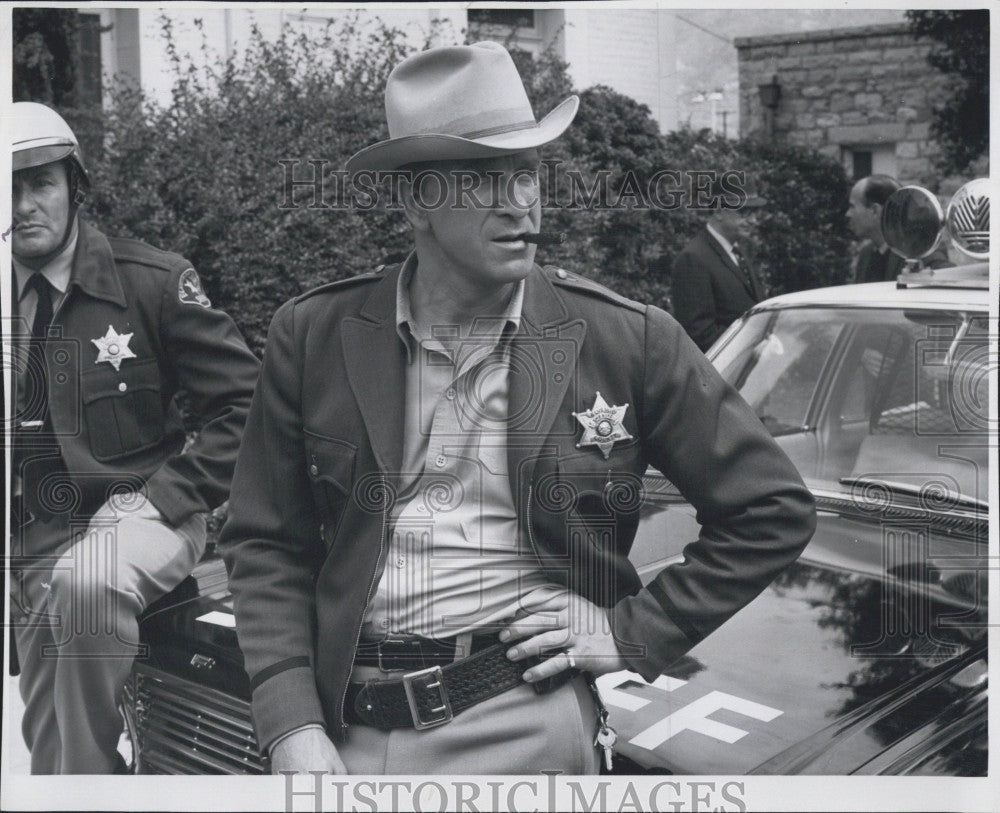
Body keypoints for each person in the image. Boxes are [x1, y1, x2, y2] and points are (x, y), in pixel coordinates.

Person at [219, 41, 816, 775]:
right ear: (415, 202)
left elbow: (772, 508)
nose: (519, 201)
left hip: (524, 720)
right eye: (481, 177)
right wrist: (289, 723)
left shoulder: (627, 339)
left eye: (527, 172)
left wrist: (632, 633)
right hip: (339, 726)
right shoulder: (314, 335)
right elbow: (264, 541)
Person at [7, 102, 260, 774]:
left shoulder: (151, 281)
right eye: (8, 187)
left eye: (40, 183)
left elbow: (247, 406)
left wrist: (167, 496)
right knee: (50, 751)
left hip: (146, 511)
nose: (24, 204)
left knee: (87, 580)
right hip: (34, 540)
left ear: (75, 188)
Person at [670, 184, 767, 352]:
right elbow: (699, 333)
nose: (753, 220)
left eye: (754, 213)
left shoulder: (738, 252)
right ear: (719, 211)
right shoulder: (693, 259)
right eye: (744, 212)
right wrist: (752, 348)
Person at [847, 174, 949, 282]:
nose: (848, 214)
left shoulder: (922, 251)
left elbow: (949, 278)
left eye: (852, 206)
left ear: (875, 211)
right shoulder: (865, 255)